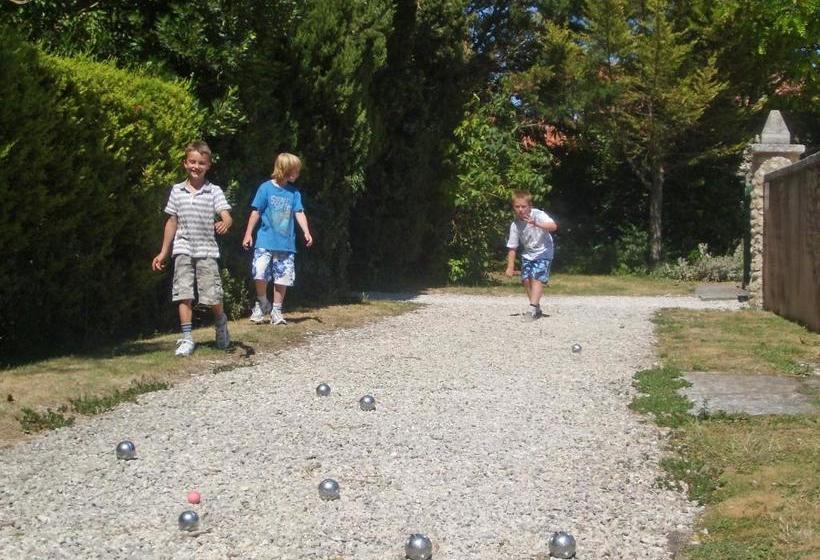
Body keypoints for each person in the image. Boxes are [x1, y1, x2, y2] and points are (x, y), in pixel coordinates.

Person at [151, 141, 232, 356]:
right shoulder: (177, 191)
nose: (196, 166)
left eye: (201, 163)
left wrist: (225, 222)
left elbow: (226, 214)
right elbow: (171, 221)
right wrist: (163, 251)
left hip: (206, 249)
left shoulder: (213, 191)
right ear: (185, 164)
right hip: (183, 247)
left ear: (208, 166)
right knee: (183, 292)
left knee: (212, 294)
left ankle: (220, 323)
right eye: (192, 162)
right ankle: (187, 338)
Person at [242, 153, 313, 325]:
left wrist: (306, 231)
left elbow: (299, 212)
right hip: (265, 240)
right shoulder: (265, 188)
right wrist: (248, 233)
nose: (297, 174)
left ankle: (277, 310)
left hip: (285, 244)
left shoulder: (294, 193)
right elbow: (256, 211)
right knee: (259, 271)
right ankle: (261, 302)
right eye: (295, 171)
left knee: (283, 277)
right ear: (286, 170)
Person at [504, 190, 558, 319]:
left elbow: (553, 226)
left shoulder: (539, 215)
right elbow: (512, 247)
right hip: (528, 254)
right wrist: (510, 266)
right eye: (517, 207)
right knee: (526, 280)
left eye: (524, 206)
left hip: (544, 251)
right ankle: (536, 307)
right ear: (513, 208)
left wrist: (537, 224)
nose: (521, 210)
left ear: (530, 206)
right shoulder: (515, 225)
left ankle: (532, 308)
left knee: (536, 277)